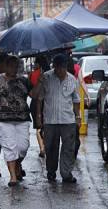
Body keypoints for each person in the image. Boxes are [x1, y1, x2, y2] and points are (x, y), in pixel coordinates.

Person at [0, 55, 32, 187]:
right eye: (12, 65)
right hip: (2, 119)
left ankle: (17, 163)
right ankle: (13, 177)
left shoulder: (24, 80)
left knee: (23, 147)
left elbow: (35, 95)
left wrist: (41, 82)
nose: (15, 68)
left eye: (17, 66)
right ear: (6, 66)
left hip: (22, 119)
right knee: (9, 147)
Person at [33, 53, 80, 183]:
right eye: (57, 68)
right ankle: (51, 171)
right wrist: (38, 117)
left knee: (68, 148)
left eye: (62, 68)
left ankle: (66, 173)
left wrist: (78, 117)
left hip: (68, 120)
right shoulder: (47, 77)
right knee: (51, 148)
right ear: (54, 67)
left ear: (65, 67)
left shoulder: (72, 80)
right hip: (50, 120)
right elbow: (39, 99)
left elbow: (76, 100)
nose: (59, 71)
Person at [29, 56, 49, 158]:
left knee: (38, 126)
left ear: (38, 64)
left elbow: (30, 93)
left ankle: (42, 148)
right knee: (47, 125)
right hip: (48, 102)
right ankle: (47, 146)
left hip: (35, 102)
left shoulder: (32, 74)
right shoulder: (51, 74)